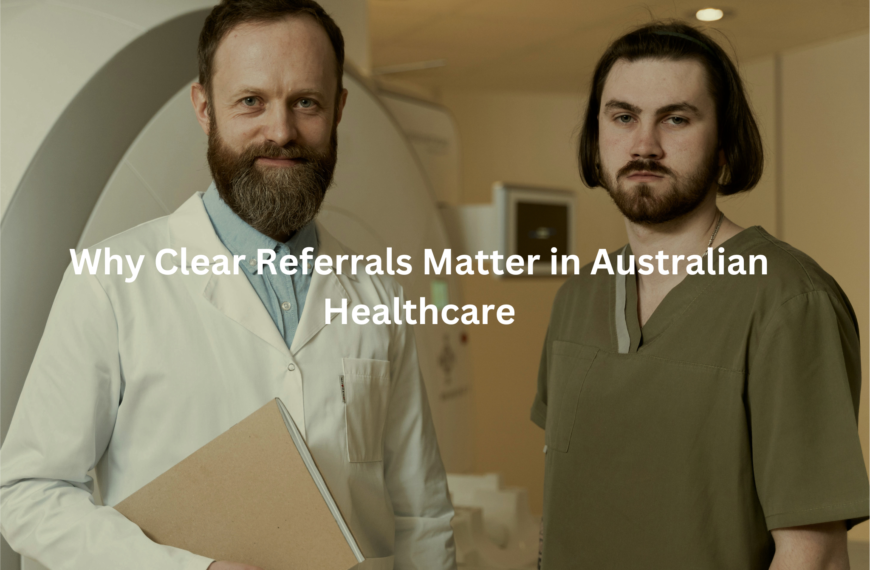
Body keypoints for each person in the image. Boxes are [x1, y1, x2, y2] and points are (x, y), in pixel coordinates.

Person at [0, 2, 456, 569]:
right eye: (251, 102)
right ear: (203, 108)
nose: (281, 131)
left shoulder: (376, 297)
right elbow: (29, 492)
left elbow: (422, 514)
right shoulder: (111, 283)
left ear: (338, 109)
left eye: (305, 102)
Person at [532, 21, 868, 570]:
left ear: (724, 144)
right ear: (598, 140)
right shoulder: (578, 296)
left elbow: (815, 555)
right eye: (623, 117)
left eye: (676, 119)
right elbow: (563, 500)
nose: (644, 144)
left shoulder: (787, 301)